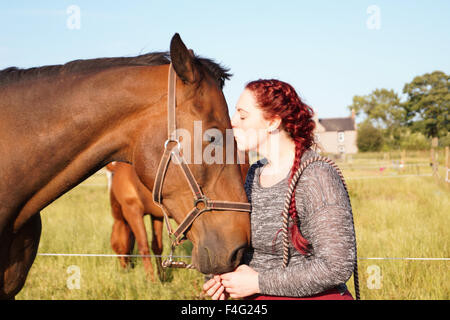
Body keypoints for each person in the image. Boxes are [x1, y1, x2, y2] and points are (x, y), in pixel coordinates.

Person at [203, 79, 357, 300]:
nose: (232, 122)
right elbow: (247, 249)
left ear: (273, 122)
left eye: (243, 116)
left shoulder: (316, 176)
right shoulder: (253, 175)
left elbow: (337, 265)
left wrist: (257, 283)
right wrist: (225, 278)